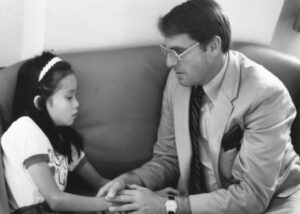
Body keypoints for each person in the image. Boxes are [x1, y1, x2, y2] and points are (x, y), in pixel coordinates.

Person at [98, 0, 300, 213]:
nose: (169, 63)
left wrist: (167, 206)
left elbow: (253, 196)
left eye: (177, 52)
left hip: (276, 199)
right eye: (166, 51)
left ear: (213, 46)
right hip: (207, 200)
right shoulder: (177, 81)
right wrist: (133, 179)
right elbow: (168, 157)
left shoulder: (266, 95)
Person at [1, 52, 112, 214]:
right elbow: (55, 199)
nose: (77, 104)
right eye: (69, 97)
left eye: (76, 96)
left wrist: (129, 194)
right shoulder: (25, 129)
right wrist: (106, 204)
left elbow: (100, 183)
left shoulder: (64, 139)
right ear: (40, 102)